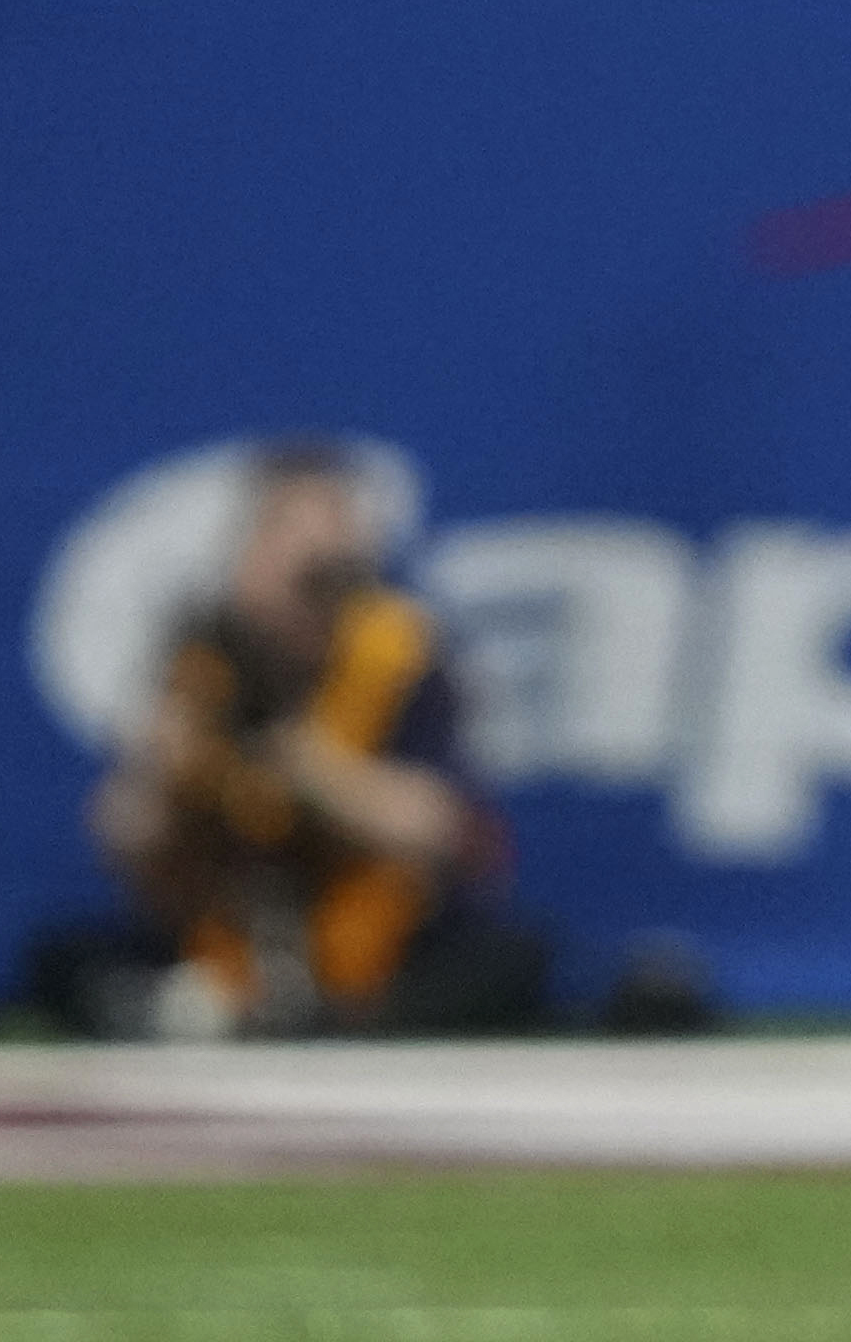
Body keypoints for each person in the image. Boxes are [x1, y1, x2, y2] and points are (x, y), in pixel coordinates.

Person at [65, 443, 547, 1037]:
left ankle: (331, 1023)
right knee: (70, 957)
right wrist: (164, 774)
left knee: (511, 956)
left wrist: (303, 765)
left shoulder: (398, 652)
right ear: (249, 552)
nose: (313, 591)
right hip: (233, 922)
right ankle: (221, 1011)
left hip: (368, 933)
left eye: (331, 564)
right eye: (291, 549)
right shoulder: (204, 657)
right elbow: (124, 834)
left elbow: (445, 829)